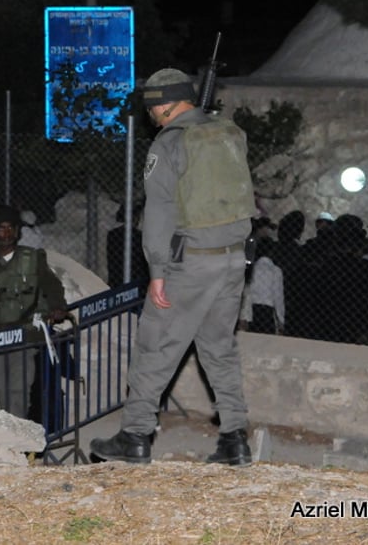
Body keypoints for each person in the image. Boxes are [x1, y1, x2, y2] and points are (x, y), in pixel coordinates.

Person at [91, 68, 255, 466]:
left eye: (152, 106)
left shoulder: (170, 143)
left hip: (191, 263)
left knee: (155, 348)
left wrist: (157, 273)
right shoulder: (228, 133)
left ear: (163, 104)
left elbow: (160, 212)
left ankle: (135, 436)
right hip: (234, 259)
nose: (152, 114)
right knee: (219, 350)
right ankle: (235, 439)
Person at [0, 205, 68, 419]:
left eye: (10, 228)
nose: (6, 233)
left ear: (18, 231)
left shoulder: (32, 259)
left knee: (18, 388)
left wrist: (58, 306)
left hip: (24, 335)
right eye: (1, 229)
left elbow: (52, 285)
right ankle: (5, 436)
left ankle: (18, 438)